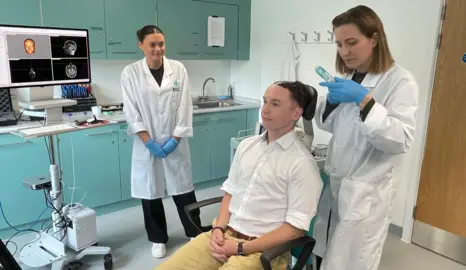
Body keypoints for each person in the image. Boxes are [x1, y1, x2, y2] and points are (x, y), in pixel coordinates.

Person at [155, 81, 323, 270]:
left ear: (296, 114)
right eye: (265, 101)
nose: (265, 110)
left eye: (275, 104)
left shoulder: (302, 164)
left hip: (262, 251)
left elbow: (295, 229)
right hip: (224, 235)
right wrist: (219, 227)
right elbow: (230, 192)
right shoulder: (246, 146)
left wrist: (240, 248)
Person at [311, 5, 419, 270]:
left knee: (351, 261)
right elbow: (329, 124)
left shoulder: (400, 82)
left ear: (374, 39)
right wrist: (332, 102)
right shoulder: (351, 76)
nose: (344, 52)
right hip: (337, 184)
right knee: (325, 252)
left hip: (365, 193)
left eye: (351, 42)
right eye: (338, 44)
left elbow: (399, 139)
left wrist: (365, 100)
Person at [121, 25, 202, 259]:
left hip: (174, 140)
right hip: (147, 143)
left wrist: (175, 139)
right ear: (140, 45)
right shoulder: (131, 73)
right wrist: (149, 143)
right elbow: (131, 111)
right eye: (152, 44)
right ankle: (158, 239)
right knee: (150, 191)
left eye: (161, 44)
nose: (158, 49)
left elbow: (185, 106)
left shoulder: (178, 69)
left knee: (184, 188)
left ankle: (194, 232)